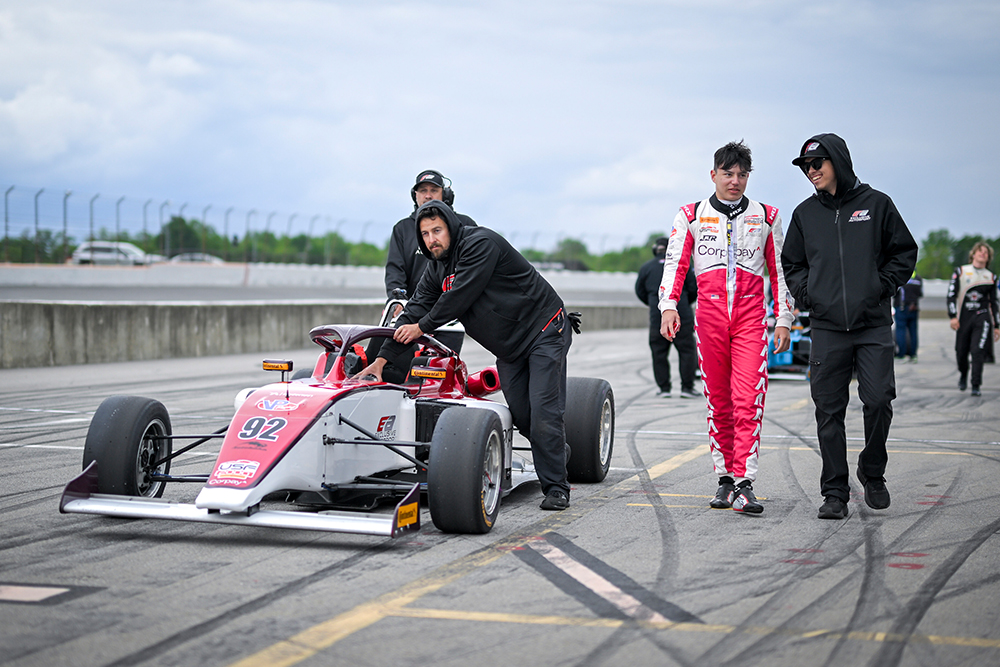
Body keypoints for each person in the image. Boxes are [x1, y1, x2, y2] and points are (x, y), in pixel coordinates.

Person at [359, 200, 577, 511]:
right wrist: (381, 361)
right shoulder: (436, 269)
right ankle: (556, 451)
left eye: (437, 231)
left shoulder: (480, 244)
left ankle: (556, 488)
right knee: (523, 416)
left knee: (544, 411)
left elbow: (459, 297)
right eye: (425, 234)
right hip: (510, 348)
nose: (432, 239)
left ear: (451, 226)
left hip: (544, 330)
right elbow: (414, 310)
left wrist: (421, 327)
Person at [781, 133, 917, 520]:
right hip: (827, 327)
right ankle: (835, 492)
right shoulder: (805, 214)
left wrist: (880, 287)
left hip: (872, 324)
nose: (811, 171)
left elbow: (904, 252)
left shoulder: (877, 204)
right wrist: (809, 295)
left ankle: (872, 472)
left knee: (879, 400)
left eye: (817, 163)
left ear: (838, 161)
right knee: (828, 410)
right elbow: (792, 263)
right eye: (806, 166)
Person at [659, 140, 793, 515]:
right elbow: (675, 264)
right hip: (710, 317)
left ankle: (744, 483)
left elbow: (781, 272)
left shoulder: (767, 216)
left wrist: (784, 318)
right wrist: (668, 306)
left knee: (747, 400)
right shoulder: (690, 215)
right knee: (719, 403)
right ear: (713, 174)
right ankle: (725, 479)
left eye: (742, 174)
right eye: (728, 173)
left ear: (749, 177)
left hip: (751, 317)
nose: (735, 181)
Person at [384, 170, 476, 351]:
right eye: (423, 190)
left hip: (451, 316)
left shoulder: (464, 225)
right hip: (414, 312)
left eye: (434, 190)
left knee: (440, 365)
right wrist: (397, 300)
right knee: (399, 364)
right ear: (415, 195)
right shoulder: (402, 229)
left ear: (445, 195)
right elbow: (395, 270)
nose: (428, 195)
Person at [635, 237, 698, 398]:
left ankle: (664, 388)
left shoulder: (646, 268)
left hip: (658, 316)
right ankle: (687, 388)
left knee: (659, 353)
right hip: (681, 313)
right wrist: (682, 302)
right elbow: (694, 289)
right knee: (687, 351)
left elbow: (640, 291)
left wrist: (656, 304)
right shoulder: (683, 265)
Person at [947, 241, 1000, 397]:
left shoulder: (991, 277)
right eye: (980, 251)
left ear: (988, 257)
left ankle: (976, 384)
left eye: (986, 252)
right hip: (964, 318)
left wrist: (997, 325)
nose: (983, 254)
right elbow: (951, 295)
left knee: (978, 351)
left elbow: (994, 303)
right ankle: (963, 374)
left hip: (982, 317)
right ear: (974, 254)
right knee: (961, 352)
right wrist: (952, 316)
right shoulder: (961, 271)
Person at [893, 271, 923, 362]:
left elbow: (893, 292)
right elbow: (920, 294)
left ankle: (902, 354)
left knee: (900, 330)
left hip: (902, 307)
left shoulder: (901, 276)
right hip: (914, 308)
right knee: (913, 332)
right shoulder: (918, 278)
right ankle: (913, 354)